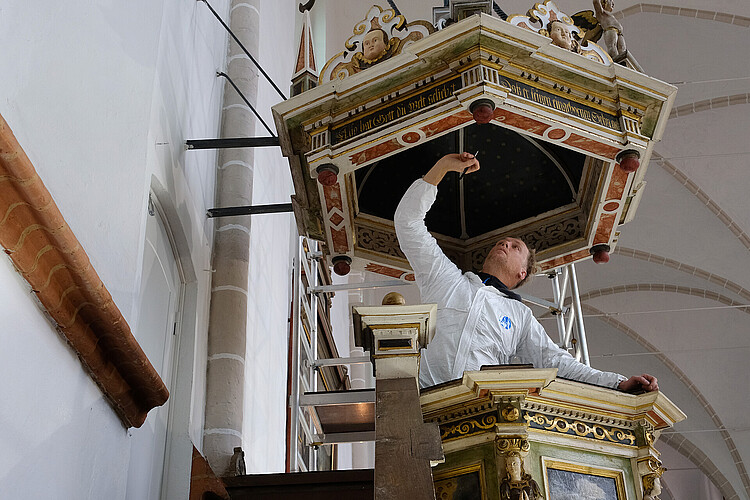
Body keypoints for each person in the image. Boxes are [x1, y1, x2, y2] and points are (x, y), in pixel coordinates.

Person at [394, 152, 659, 393]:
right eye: (501, 242)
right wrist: (441, 168)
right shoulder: (447, 279)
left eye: (515, 246)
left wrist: (617, 383)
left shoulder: (520, 316)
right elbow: (408, 223)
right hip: (423, 397)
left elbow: (557, 362)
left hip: (478, 407)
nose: (504, 244)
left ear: (523, 273)